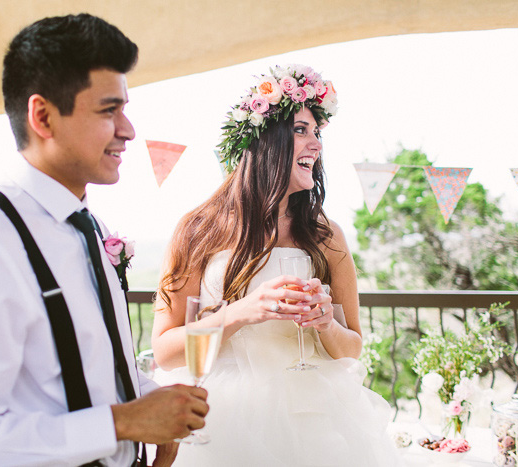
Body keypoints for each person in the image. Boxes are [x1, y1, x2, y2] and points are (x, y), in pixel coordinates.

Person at [0, 14, 207, 467]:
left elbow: (93, 368)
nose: (128, 130)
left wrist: (154, 399)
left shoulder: (87, 227)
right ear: (42, 116)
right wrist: (120, 424)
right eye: (108, 110)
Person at [151, 65, 401, 466]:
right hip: (224, 416)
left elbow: (352, 346)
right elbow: (164, 352)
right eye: (301, 130)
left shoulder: (327, 235)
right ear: (265, 141)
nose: (315, 144)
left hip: (316, 414)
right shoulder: (198, 230)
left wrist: (325, 324)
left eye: (317, 133)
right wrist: (240, 312)